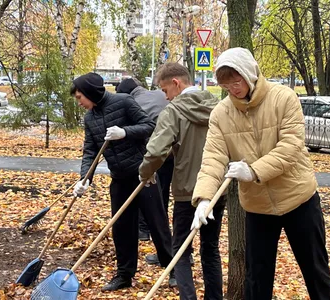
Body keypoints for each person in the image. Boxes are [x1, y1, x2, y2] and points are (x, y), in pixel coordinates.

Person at [191, 47, 330, 300]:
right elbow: (213, 157)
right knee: (256, 276)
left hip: (298, 198)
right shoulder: (221, 114)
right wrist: (204, 198)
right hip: (258, 206)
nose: (233, 89)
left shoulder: (284, 98)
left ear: (250, 73)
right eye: (226, 86)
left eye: (236, 82)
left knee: (315, 269)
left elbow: (291, 146)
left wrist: (253, 171)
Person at [71, 72, 174, 291]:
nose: (78, 102)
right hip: (119, 178)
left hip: (143, 176)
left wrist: (124, 132)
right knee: (122, 228)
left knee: (157, 224)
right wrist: (84, 179)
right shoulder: (90, 118)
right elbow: (90, 150)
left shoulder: (124, 102)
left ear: (90, 92)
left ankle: (173, 270)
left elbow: (149, 126)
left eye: (80, 97)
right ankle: (124, 275)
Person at [139, 62, 226, 300]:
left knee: (181, 251)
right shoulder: (218, 106)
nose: (165, 97)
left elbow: (156, 151)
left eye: (165, 90)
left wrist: (145, 172)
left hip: (188, 192)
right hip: (216, 190)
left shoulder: (174, 111)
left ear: (176, 83)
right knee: (210, 249)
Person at [116, 78, 173, 243]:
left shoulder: (131, 103)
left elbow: (133, 133)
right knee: (162, 192)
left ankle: (145, 230)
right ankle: (157, 232)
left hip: (155, 151)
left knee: (147, 189)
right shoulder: (158, 93)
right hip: (173, 150)